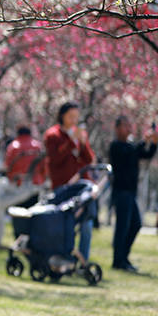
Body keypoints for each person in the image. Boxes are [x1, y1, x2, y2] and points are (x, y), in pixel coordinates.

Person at [44, 102, 96, 262]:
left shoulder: (78, 133)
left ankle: (83, 261)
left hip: (81, 186)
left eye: (76, 117)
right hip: (63, 185)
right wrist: (69, 142)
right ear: (62, 115)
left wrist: (82, 142)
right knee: (66, 223)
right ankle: (65, 256)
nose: (74, 120)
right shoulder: (53, 135)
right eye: (70, 116)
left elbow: (88, 160)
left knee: (87, 222)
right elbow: (55, 159)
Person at [109, 116, 157, 272]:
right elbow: (132, 152)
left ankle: (124, 257)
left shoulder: (130, 146)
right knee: (122, 227)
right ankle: (118, 260)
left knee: (135, 224)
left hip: (130, 192)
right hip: (121, 191)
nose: (129, 129)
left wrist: (154, 143)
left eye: (130, 125)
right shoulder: (116, 146)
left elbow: (145, 154)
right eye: (125, 126)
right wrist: (144, 140)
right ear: (117, 128)